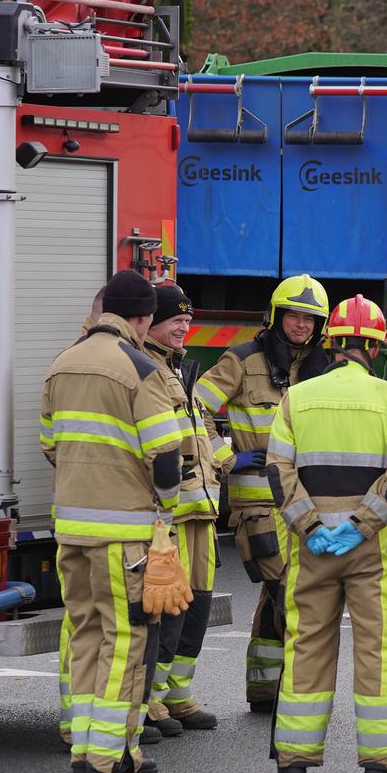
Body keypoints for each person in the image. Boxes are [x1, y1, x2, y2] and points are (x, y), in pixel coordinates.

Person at [42, 269, 191, 773]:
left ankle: (83, 746)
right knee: (125, 638)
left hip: (71, 530)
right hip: (123, 534)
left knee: (84, 631)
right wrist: (166, 506)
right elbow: (167, 455)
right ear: (144, 317)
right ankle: (113, 754)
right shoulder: (140, 367)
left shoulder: (62, 362)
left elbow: (50, 444)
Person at [266, 294, 387, 773]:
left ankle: (294, 757)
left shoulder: (297, 398)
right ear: (374, 347)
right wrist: (359, 526)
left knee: (306, 644)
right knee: (376, 649)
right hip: (370, 549)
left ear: (330, 343)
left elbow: (278, 470)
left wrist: (310, 525)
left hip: (312, 548)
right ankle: (379, 762)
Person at [194, 275, 333, 711]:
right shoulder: (242, 361)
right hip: (256, 506)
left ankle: (265, 690)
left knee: (278, 593)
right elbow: (191, 406)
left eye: (311, 319)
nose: (301, 325)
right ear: (276, 316)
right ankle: (299, 691)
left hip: (303, 506)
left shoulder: (321, 369)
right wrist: (224, 456)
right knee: (286, 591)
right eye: (294, 315)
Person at [143, 283, 226, 734]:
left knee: (196, 605)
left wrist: (225, 462)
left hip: (201, 512)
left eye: (187, 319)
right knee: (168, 608)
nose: (184, 326)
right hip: (172, 515)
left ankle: (178, 694)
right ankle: (153, 701)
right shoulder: (150, 371)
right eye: (175, 319)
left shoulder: (175, 369)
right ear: (150, 323)